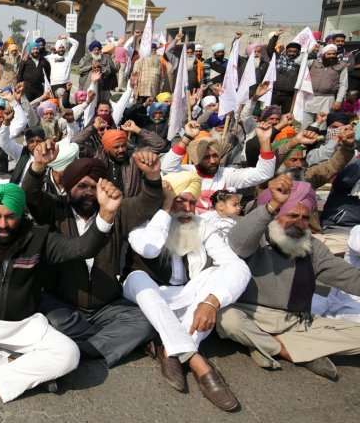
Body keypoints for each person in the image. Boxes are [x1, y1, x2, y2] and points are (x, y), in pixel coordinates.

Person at [0, 139, 121, 403]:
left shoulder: (39, 238)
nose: (3, 224)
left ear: (22, 214)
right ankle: (17, 368)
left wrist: (106, 215)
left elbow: (84, 247)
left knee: (69, 354)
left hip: (22, 327)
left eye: (10, 216)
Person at [22, 144, 162, 370]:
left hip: (106, 305)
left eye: (95, 187)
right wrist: (38, 165)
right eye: (82, 186)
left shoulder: (118, 210)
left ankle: (82, 350)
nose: (89, 192)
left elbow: (148, 204)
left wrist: (153, 175)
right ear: (69, 188)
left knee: (145, 322)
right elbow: (29, 194)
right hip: (63, 303)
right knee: (41, 316)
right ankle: (105, 342)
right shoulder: (56, 208)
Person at [122, 171, 251, 411]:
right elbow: (148, 250)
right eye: (181, 200)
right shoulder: (143, 221)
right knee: (138, 279)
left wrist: (212, 302)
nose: (189, 209)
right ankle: (198, 362)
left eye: (193, 202)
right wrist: (165, 208)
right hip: (148, 293)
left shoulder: (200, 225)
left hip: (186, 295)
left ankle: (169, 349)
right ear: (167, 199)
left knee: (215, 274)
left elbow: (237, 267)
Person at [218, 177, 360, 381]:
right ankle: (287, 350)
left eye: (305, 217)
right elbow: (238, 243)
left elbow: (347, 276)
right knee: (225, 318)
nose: (299, 223)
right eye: (292, 214)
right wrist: (273, 204)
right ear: (276, 214)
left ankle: (261, 344)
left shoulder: (312, 247)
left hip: (294, 321)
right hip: (249, 313)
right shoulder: (257, 234)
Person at [161, 120, 276, 214]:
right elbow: (167, 167)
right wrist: (187, 136)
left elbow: (264, 173)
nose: (212, 161)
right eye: (206, 157)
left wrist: (265, 141)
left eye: (215, 155)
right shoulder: (186, 173)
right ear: (196, 159)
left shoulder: (227, 175)